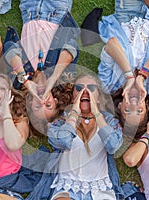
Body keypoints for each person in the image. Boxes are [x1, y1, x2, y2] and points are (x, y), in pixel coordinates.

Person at [26, 72, 127, 200]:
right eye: (79, 88)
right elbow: (63, 142)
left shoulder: (110, 122)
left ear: (99, 97)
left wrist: (96, 113)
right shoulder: (60, 122)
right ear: (74, 96)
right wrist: (74, 112)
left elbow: (113, 146)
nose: (84, 91)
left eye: (91, 88)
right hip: (67, 188)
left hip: (100, 189)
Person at [82, 0, 149, 127]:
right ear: (146, 107)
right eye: (139, 110)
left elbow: (111, 44)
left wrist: (130, 77)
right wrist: (142, 77)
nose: (134, 104)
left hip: (126, 15)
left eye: (128, 110)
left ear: (120, 106)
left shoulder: (108, 85)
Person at [3, 0, 79, 123]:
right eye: (48, 105)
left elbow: (9, 47)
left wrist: (26, 81)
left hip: (29, 10)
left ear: (30, 103)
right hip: (57, 11)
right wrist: (53, 78)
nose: (42, 101)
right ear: (55, 101)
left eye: (38, 106)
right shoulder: (63, 79)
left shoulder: (18, 81)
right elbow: (71, 46)